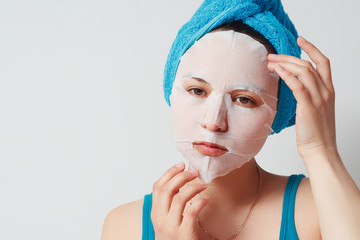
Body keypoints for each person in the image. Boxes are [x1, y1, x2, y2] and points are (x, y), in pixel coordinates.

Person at [101, 1, 360, 239]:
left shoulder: (316, 207)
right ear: (171, 92)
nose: (214, 122)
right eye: (197, 91)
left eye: (245, 99)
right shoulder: (124, 226)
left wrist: (320, 150)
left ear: (278, 113)